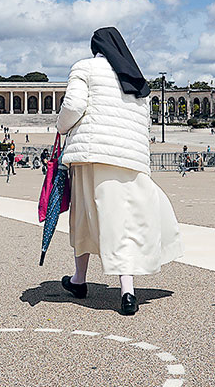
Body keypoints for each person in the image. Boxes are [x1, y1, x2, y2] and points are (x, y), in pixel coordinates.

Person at [55, 27, 182, 316]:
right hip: (130, 159)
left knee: (85, 216)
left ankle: (79, 280)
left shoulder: (85, 67)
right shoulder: (137, 79)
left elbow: (74, 105)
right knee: (124, 223)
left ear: (95, 47)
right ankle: (127, 291)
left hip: (92, 154)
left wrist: (60, 127)